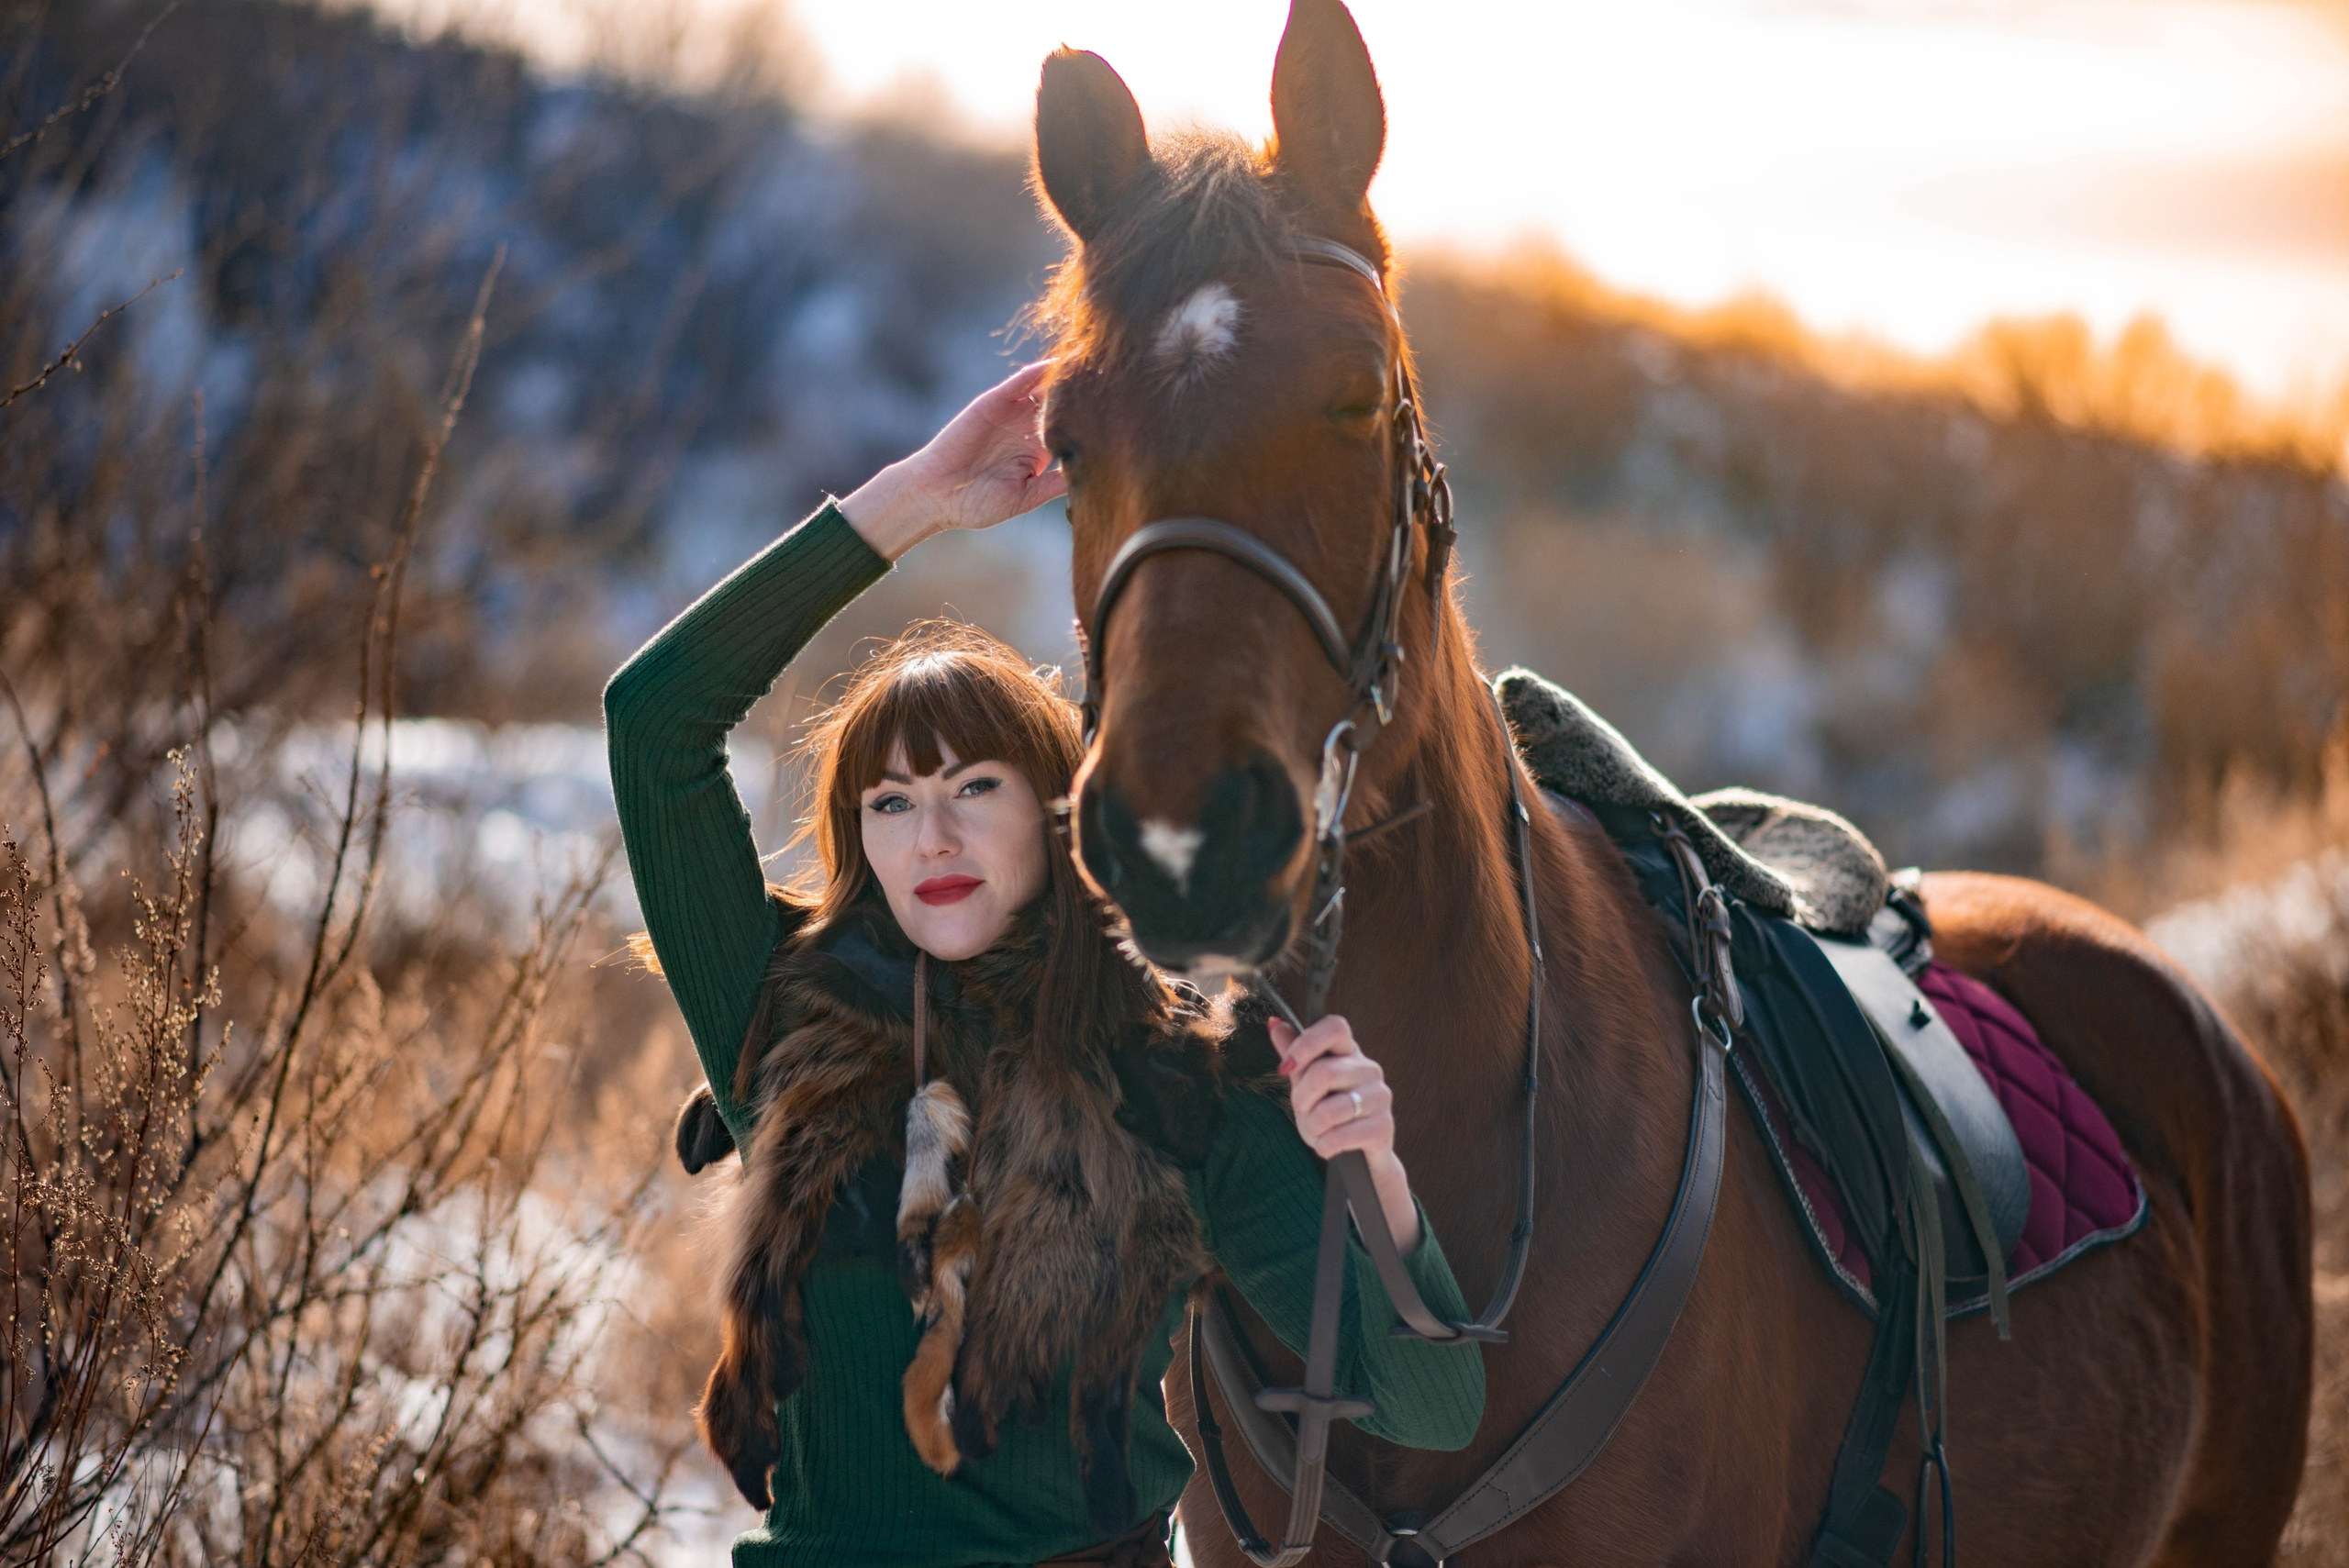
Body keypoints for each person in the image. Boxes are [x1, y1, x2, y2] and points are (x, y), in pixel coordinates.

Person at [605, 361, 1484, 1568]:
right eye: (893, 802)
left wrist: (1373, 1171)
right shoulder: (777, 1012)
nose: (936, 835)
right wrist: (915, 499)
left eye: (975, 787)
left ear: (1059, 812)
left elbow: (1434, 1406)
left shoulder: (1181, 1074)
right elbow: (655, 724)